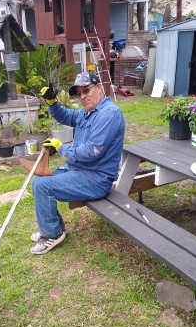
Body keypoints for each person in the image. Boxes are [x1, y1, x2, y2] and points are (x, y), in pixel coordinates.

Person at [30, 72, 125, 255]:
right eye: (79, 93)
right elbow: (67, 117)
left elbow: (92, 152)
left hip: (96, 179)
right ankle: (52, 228)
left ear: (99, 88)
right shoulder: (88, 112)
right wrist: (52, 103)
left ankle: (52, 234)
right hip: (78, 171)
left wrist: (61, 148)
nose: (82, 96)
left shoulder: (109, 114)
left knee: (43, 186)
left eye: (86, 90)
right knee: (37, 182)